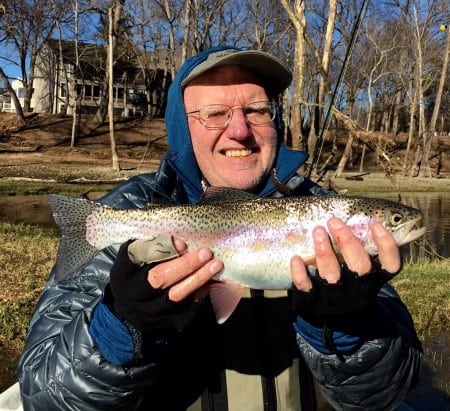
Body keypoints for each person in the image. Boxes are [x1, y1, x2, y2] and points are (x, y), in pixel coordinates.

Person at [18, 46, 422, 411]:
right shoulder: (122, 214)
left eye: (258, 110)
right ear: (183, 129)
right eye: (215, 114)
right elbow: (41, 396)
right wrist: (122, 328)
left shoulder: (328, 216)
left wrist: (349, 329)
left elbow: (390, 393)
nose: (240, 130)